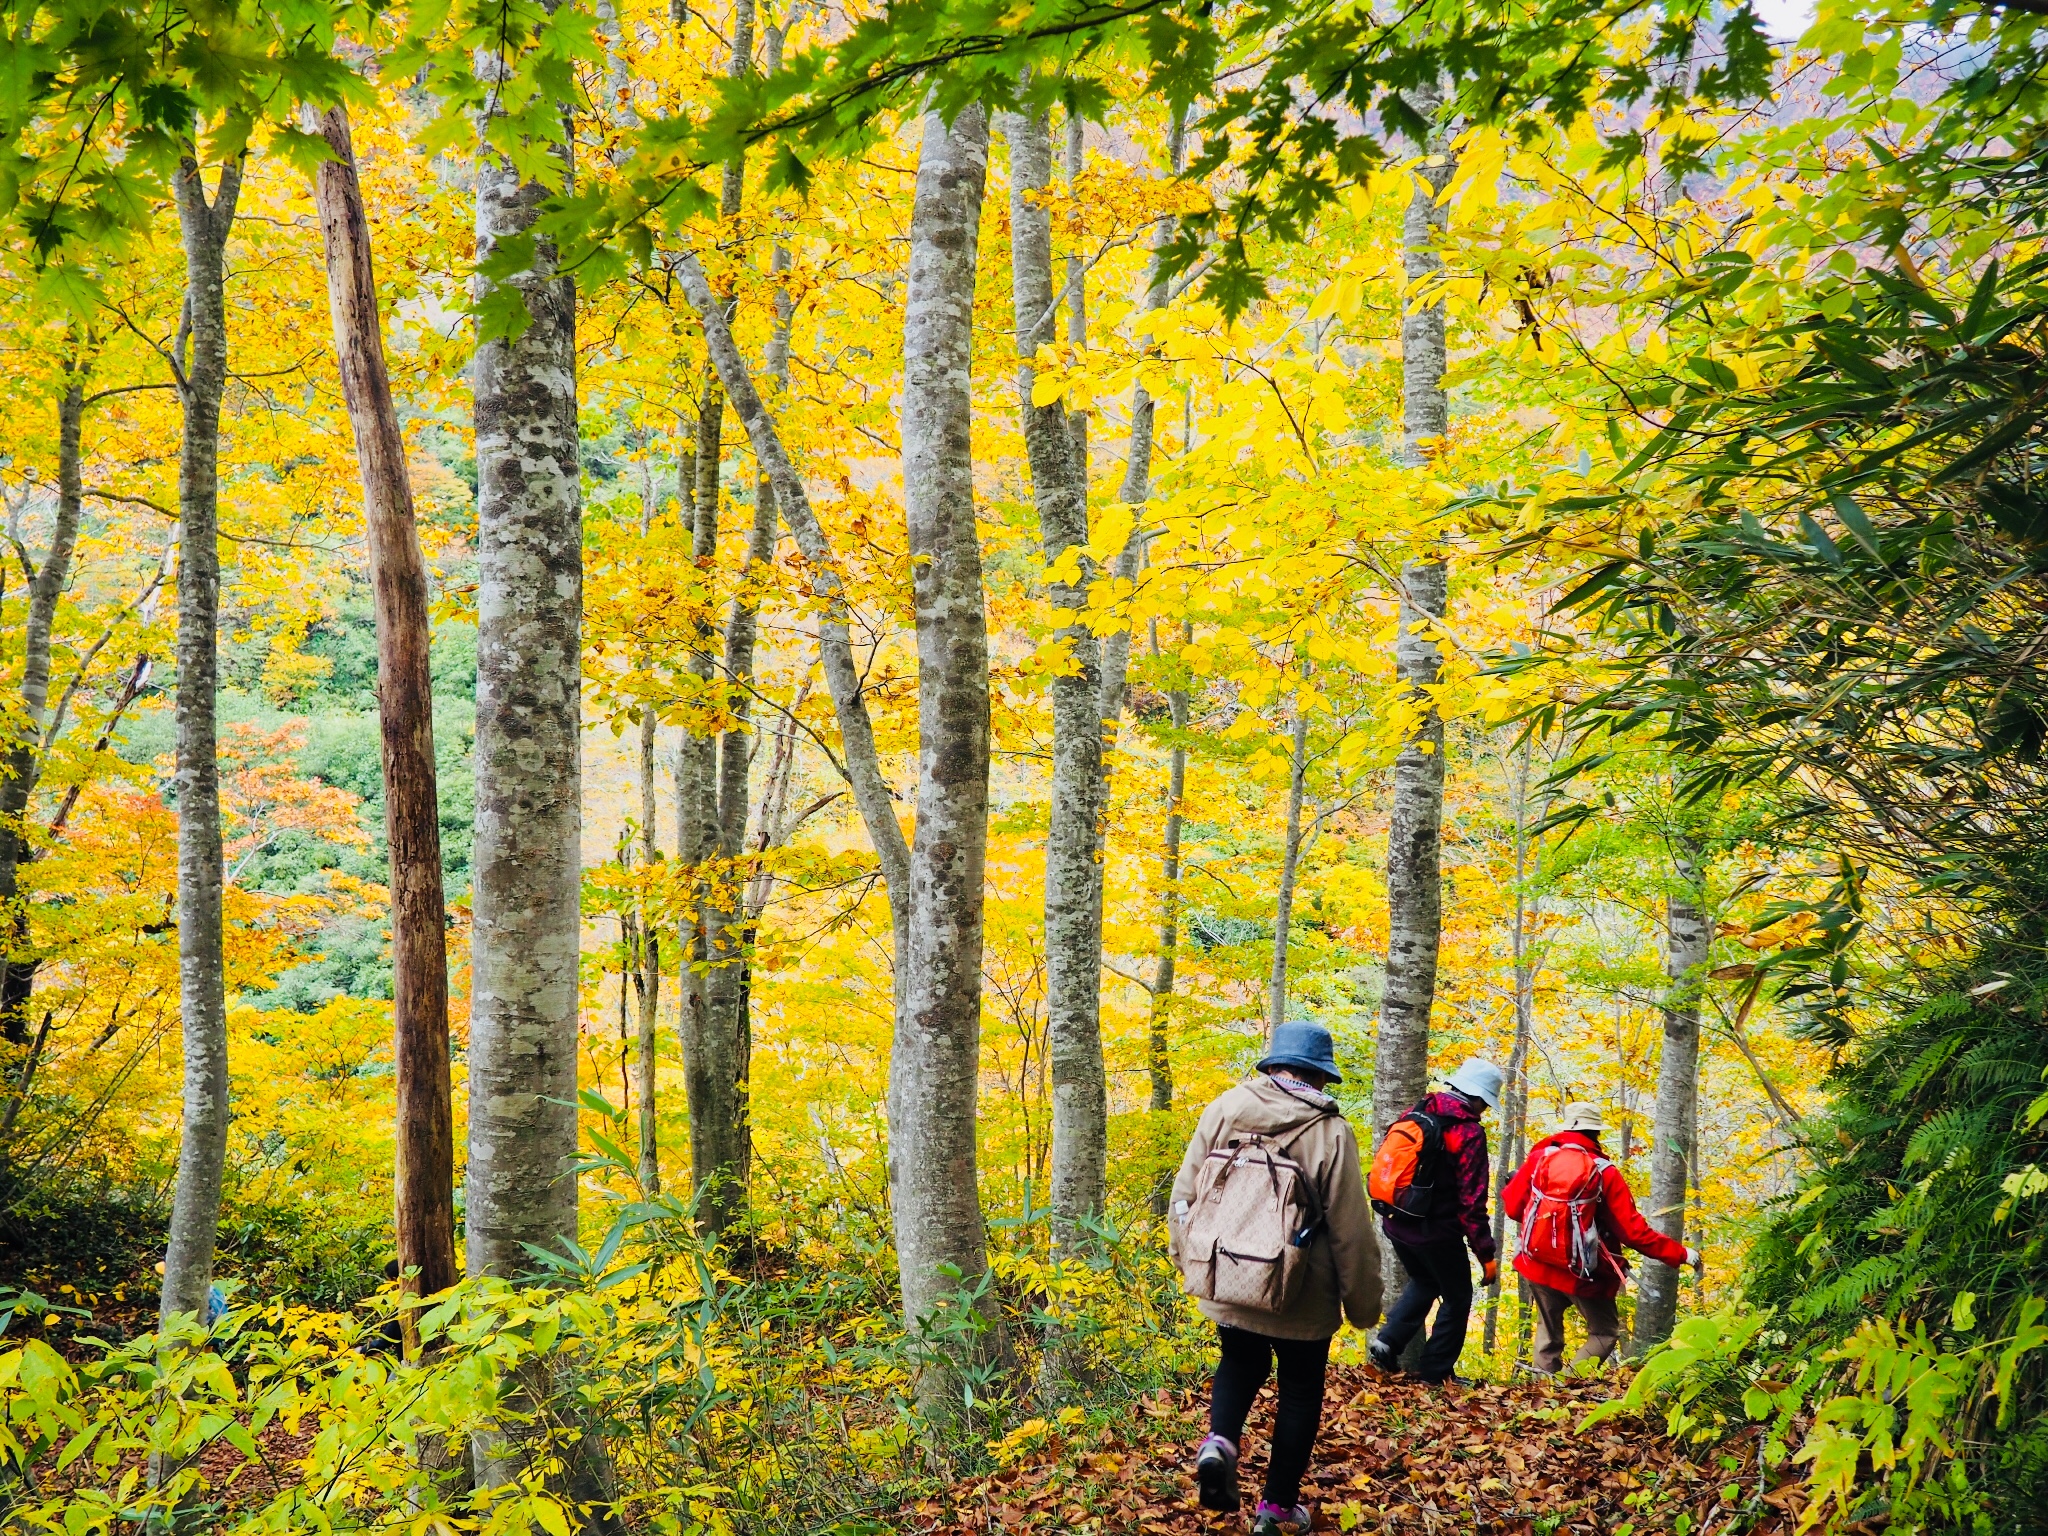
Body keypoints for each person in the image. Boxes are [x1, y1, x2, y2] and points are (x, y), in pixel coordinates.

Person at [1170, 1021, 1381, 1536]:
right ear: (1321, 1076)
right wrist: (1363, 1307)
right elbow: (1350, 1230)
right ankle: (1277, 1509)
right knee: (1301, 1390)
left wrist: (1189, 1260)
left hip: (1228, 1274)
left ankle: (1219, 1443)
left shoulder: (1224, 1107)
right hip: (1302, 1291)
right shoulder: (1331, 1132)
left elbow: (1185, 1195)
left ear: (1273, 1064)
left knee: (1239, 1363)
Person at [1501, 1101, 1705, 1374]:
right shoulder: (1604, 1172)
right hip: (1583, 1273)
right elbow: (1633, 1233)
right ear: (1596, 1133)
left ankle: (1540, 1397)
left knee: (1547, 1332)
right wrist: (1681, 1254)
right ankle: (1567, 1385)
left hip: (1536, 1264)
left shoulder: (1540, 1159)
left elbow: (1514, 1208)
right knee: (1603, 1332)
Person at [1367, 1056, 1502, 1385]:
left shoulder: (1420, 1109)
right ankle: (1435, 1374)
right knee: (1457, 1297)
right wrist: (1486, 1255)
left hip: (1395, 1222)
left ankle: (1387, 1342)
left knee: (1426, 1281)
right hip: (1435, 1232)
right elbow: (1472, 1202)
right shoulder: (1467, 1132)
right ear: (1479, 1099)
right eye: (1485, 1103)